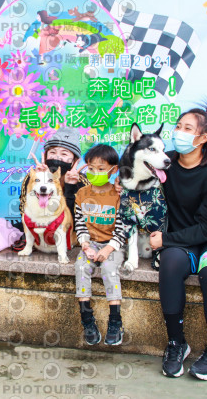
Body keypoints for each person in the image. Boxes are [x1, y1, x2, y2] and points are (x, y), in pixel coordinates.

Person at [149, 104, 207, 380]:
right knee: (170, 262)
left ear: (203, 138)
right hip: (184, 242)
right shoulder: (165, 163)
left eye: (187, 128)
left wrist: (166, 239)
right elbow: (135, 179)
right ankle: (176, 343)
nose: (179, 132)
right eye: (178, 126)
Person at [74, 144, 127, 346]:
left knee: (109, 268)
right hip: (91, 244)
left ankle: (115, 321)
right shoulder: (82, 193)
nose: (95, 172)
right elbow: (80, 224)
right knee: (81, 266)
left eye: (101, 168)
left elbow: (122, 228)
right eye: (91, 168)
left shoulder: (118, 195)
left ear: (113, 170)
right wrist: (85, 245)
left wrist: (108, 248)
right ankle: (87, 320)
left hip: (113, 245)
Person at [14, 126, 89, 250]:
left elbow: (80, 221)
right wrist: (43, 182)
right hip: (39, 232)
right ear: (46, 155)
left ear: (74, 160)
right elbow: (24, 211)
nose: (57, 157)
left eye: (64, 154)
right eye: (52, 152)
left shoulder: (82, 181)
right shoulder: (34, 177)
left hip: (70, 235)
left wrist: (70, 187)